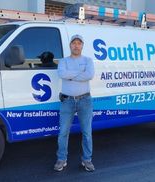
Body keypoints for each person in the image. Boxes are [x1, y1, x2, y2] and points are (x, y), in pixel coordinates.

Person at [54, 34, 95, 172]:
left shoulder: (88, 60)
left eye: (79, 43)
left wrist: (71, 75)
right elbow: (62, 74)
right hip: (67, 101)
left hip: (85, 100)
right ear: (70, 45)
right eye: (74, 43)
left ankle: (87, 160)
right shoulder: (63, 61)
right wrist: (79, 73)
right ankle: (61, 159)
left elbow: (89, 75)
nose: (76, 45)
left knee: (87, 133)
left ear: (82, 45)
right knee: (63, 132)